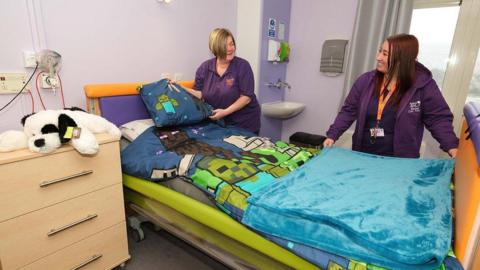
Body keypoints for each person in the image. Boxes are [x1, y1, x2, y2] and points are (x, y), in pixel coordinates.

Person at [324, 34, 458, 158]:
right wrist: (332, 135)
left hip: (399, 162)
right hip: (363, 155)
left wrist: (452, 146)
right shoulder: (366, 81)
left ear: (401, 59)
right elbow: (348, 111)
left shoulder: (423, 86)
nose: (378, 57)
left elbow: (438, 119)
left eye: (385, 54)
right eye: (380, 51)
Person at [181, 28, 261, 134]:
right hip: (219, 123)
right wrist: (179, 87)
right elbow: (200, 94)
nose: (230, 48)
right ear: (216, 48)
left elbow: (246, 97)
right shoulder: (205, 68)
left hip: (244, 122)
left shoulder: (242, 66)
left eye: (232, 44)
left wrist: (225, 112)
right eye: (225, 45)